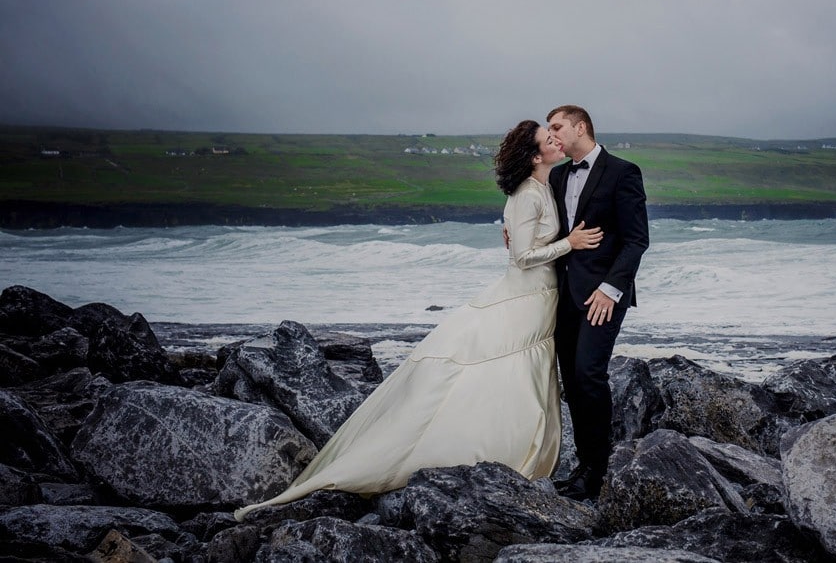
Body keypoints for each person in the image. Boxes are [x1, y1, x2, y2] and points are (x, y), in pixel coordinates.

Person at [234, 120, 602, 520]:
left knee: (523, 372)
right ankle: (494, 450)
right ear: (533, 157)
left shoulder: (547, 185)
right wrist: (569, 243)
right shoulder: (527, 194)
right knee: (511, 373)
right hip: (523, 297)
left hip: (542, 296)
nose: (556, 141)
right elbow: (522, 258)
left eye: (555, 134)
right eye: (549, 139)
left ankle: (521, 450)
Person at [546, 105, 650, 500]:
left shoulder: (623, 172)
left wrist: (611, 288)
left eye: (557, 127)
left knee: (589, 374)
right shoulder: (558, 176)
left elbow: (636, 240)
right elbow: (551, 229)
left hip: (603, 295)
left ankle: (598, 470)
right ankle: (585, 464)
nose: (552, 134)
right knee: (572, 382)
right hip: (564, 293)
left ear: (581, 127)